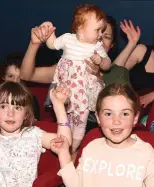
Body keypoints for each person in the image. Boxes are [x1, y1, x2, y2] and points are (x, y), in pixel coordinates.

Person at [41, 4, 112, 153]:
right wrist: (48, 30)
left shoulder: (97, 46)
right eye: (97, 30)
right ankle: (65, 146)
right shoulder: (67, 39)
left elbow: (107, 65)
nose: (100, 35)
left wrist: (101, 61)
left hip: (83, 91)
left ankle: (72, 149)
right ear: (80, 27)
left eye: (102, 30)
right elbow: (52, 44)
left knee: (81, 119)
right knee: (64, 116)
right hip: (65, 88)